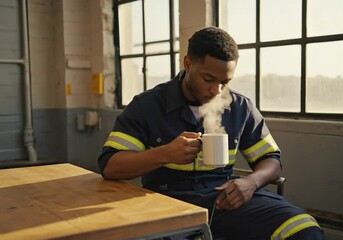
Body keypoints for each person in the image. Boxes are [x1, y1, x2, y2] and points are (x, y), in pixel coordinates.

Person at [98, 26, 324, 240]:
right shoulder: (147, 105)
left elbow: (271, 160)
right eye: (208, 79)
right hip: (165, 203)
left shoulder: (240, 107)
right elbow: (110, 165)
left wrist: (251, 183)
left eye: (225, 82)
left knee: (304, 228)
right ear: (188, 63)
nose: (217, 91)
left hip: (225, 200)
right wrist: (164, 154)